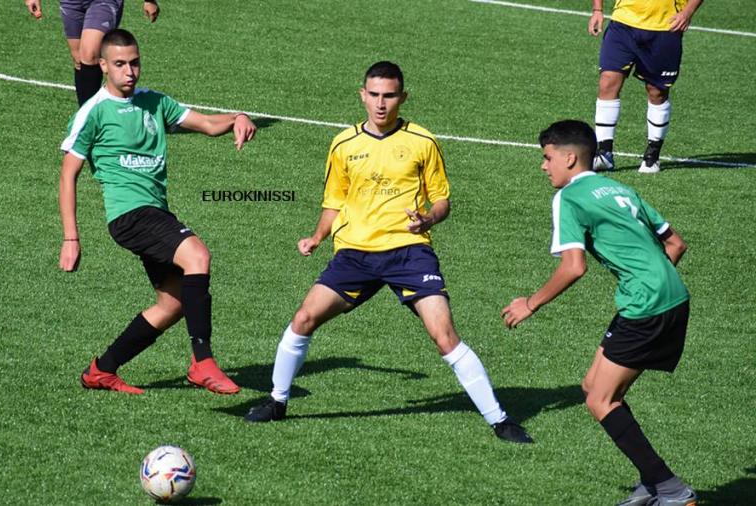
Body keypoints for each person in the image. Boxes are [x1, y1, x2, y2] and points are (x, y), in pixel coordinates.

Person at [243, 61, 532, 444]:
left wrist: (428, 219)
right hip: (355, 254)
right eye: (375, 95)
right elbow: (334, 201)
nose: (381, 104)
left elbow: (442, 200)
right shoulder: (344, 144)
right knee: (304, 318)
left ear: (403, 97)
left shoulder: (422, 142)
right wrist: (316, 236)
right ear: (362, 95)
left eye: (389, 96)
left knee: (444, 335)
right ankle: (277, 402)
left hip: (409, 252)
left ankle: (500, 420)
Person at [502, 120, 695, 504]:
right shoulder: (620, 189)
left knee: (600, 400)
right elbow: (676, 244)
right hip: (671, 296)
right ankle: (652, 483)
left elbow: (574, 267)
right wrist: (651, 281)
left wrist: (530, 303)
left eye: (547, 158)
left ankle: (672, 490)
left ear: (570, 159)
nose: (544, 166)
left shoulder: (569, 198)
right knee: (593, 386)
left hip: (645, 306)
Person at [59, 29, 257, 395]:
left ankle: (102, 370)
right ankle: (202, 363)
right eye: (120, 64)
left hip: (154, 213)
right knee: (197, 255)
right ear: (103, 66)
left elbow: (207, 124)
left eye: (134, 63)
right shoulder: (94, 112)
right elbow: (68, 175)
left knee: (173, 304)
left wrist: (238, 117)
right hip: (130, 215)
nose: (129, 72)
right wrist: (71, 238)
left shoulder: (154, 102)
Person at [589, 0, 704, 173]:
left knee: (657, 92)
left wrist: (687, 12)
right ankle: (604, 154)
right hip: (622, 24)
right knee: (607, 82)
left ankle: (652, 156)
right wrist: (597, 9)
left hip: (665, 27)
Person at [25, 0, 160, 106]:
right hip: (71, 3)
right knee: (79, 60)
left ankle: (92, 120)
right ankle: (85, 118)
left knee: (89, 54)